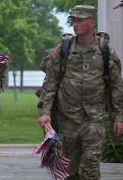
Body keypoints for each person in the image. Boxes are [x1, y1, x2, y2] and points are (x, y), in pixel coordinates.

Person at [38, 5, 123, 180]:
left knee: (90, 165)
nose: (75, 23)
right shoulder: (64, 49)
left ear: (91, 23)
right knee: (69, 169)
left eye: (80, 20)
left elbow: (116, 86)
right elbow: (50, 83)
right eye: (74, 20)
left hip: (95, 118)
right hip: (67, 119)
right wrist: (45, 112)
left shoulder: (105, 50)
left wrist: (119, 116)